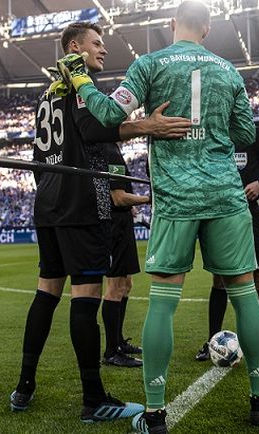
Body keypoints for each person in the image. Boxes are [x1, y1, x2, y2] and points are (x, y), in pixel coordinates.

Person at [65, 0, 259, 433]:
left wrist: (80, 79)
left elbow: (107, 114)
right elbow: (245, 134)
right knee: (245, 294)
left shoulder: (149, 64)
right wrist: (214, 126)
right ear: (207, 28)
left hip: (176, 198)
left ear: (172, 25)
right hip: (224, 195)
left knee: (163, 304)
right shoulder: (228, 70)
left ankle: (155, 412)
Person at [9, 21, 191, 423]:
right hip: (80, 203)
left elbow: (44, 152)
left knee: (46, 292)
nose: (103, 50)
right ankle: (93, 400)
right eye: (97, 43)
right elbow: (93, 127)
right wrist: (146, 126)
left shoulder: (48, 92)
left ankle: (24, 386)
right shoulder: (77, 82)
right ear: (75, 47)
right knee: (86, 295)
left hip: (49, 201)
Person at [195, 129, 259, 362]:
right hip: (217, 214)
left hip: (247, 214)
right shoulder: (210, 133)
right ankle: (211, 342)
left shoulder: (252, 134)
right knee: (219, 278)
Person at [101, 141, 149, 368]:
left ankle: (118, 341)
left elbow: (120, 195)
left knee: (126, 284)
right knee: (114, 287)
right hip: (113, 224)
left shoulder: (113, 150)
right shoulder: (109, 150)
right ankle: (111, 351)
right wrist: (151, 198)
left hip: (122, 221)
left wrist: (133, 207)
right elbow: (118, 198)